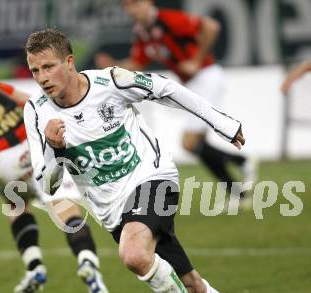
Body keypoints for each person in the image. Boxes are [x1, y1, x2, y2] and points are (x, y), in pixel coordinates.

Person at [23, 28, 277, 293]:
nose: (42, 78)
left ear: (69, 61)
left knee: (133, 255)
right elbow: (47, 183)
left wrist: (221, 122)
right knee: (190, 283)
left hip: (152, 176)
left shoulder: (111, 81)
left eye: (48, 67)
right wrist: (56, 149)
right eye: (35, 71)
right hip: (112, 209)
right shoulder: (35, 111)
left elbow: (166, 89)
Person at [0, 76, 113, 293]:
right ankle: (88, 262)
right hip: (30, 141)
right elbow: (26, 101)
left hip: (1, 161)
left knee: (16, 205)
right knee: (63, 207)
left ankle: (34, 267)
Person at [95, 0, 257, 203]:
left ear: (148, 3)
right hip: (194, 82)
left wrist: (197, 60)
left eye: (135, 3)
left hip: (206, 76)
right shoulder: (142, 32)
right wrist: (114, 65)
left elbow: (211, 26)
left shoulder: (167, 19)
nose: (131, 10)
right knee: (197, 144)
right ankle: (238, 185)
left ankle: (239, 168)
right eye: (127, 6)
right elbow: (137, 63)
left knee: (189, 143)